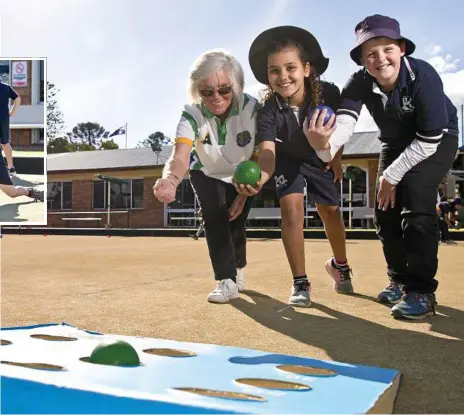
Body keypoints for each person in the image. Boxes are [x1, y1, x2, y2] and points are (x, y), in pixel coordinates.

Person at [307, 14, 459, 319]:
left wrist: (391, 175)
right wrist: (323, 144)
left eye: (387, 49)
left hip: (438, 138)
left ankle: (421, 291)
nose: (380, 59)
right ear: (362, 60)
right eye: (370, 54)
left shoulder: (424, 76)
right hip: (393, 141)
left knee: (415, 196)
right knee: (384, 210)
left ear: (401, 48)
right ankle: (398, 280)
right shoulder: (359, 82)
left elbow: (429, 140)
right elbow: (345, 126)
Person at [240, 26, 354, 308]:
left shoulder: (328, 93)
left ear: (306, 68)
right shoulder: (267, 111)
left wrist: (336, 157)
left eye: (290, 67)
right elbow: (267, 154)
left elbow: (341, 131)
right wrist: (261, 177)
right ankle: (300, 281)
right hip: (288, 160)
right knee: (291, 210)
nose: (283, 76)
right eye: (274, 70)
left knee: (330, 210)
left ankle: (340, 265)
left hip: (320, 157)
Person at [153, 49, 260, 304]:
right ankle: (226, 280)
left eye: (224, 89)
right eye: (207, 91)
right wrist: (170, 179)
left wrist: (244, 196)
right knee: (215, 219)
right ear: (197, 90)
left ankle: (239, 266)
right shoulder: (192, 114)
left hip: (242, 173)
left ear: (236, 85)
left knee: (236, 224)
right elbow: (179, 156)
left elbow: (260, 154)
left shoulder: (252, 109)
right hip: (206, 172)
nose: (216, 97)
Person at [0, 80, 21, 174]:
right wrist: (13, 112)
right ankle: (11, 167)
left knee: (4, 143)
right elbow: (17, 99)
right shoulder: (6, 87)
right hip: (4, 118)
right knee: (5, 142)